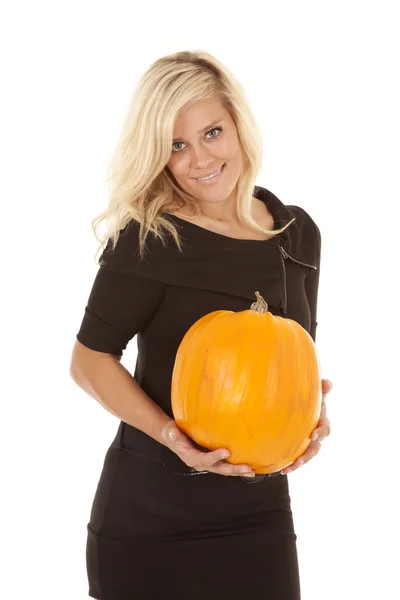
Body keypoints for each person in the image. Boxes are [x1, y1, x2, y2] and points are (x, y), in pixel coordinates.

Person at [69, 50, 332, 600]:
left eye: (212, 132)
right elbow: (89, 359)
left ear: (238, 124)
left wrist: (313, 417)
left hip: (259, 518)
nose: (199, 159)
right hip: (148, 521)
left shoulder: (297, 235)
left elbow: (290, 360)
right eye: (176, 145)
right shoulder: (149, 239)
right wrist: (172, 435)